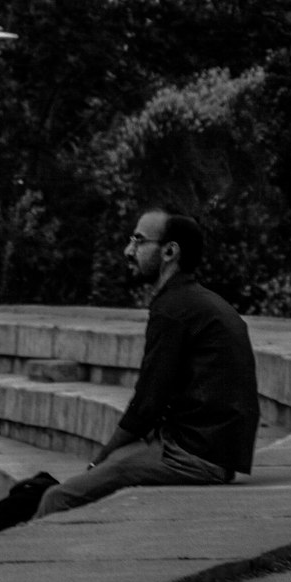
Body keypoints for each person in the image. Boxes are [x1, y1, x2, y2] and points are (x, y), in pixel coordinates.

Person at [36, 209, 260, 518]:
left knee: (58, 498)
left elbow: (147, 404)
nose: (128, 251)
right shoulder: (198, 302)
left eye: (139, 242)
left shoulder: (172, 309)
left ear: (169, 251)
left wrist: (98, 461)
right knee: (107, 469)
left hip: (194, 455)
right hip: (209, 448)